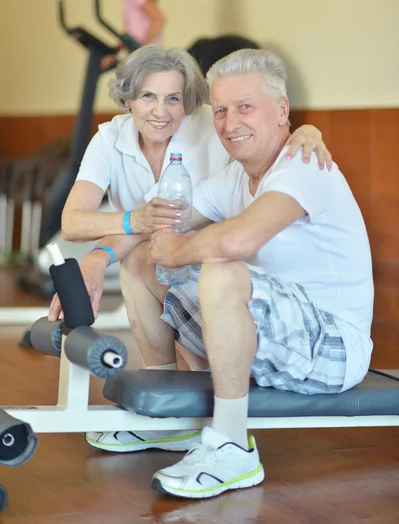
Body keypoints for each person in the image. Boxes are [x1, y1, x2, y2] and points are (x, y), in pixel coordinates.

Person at [48, 44, 332, 453]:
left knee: (155, 264)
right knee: (140, 261)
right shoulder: (109, 139)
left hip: (225, 265)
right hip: (164, 253)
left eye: (173, 98)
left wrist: (308, 131)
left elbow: (271, 143)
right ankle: (169, 410)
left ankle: (207, 421)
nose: (160, 111)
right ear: (129, 98)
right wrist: (104, 251)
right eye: (148, 96)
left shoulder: (210, 129)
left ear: (188, 103)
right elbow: (74, 222)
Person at [123, 48, 374, 498]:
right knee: (141, 262)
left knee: (222, 270)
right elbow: (158, 221)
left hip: (333, 346)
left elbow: (237, 242)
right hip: (279, 337)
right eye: (219, 110)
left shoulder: (304, 166)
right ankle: (170, 417)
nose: (229, 122)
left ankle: (232, 445)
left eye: (245, 107)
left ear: (281, 111)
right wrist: (96, 259)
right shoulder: (236, 177)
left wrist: (179, 249)